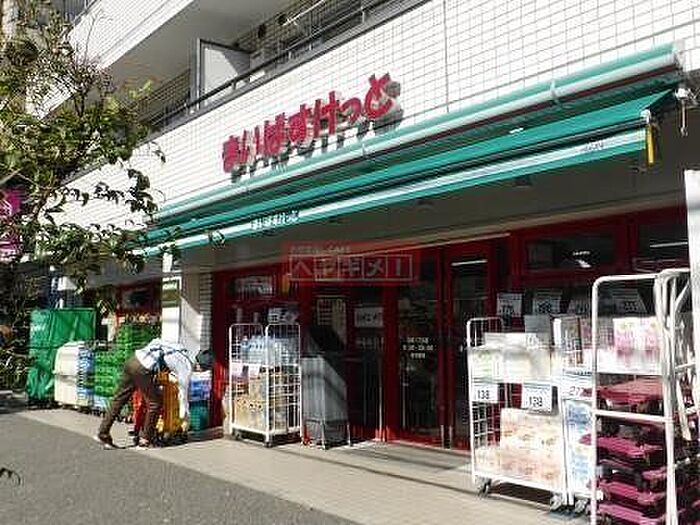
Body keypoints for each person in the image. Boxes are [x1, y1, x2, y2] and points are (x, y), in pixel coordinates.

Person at [94, 339, 193, 449]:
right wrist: (185, 417)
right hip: (143, 368)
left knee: (119, 398)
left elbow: (155, 341)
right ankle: (145, 440)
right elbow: (183, 394)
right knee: (155, 404)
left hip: (133, 360)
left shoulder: (177, 347)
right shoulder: (186, 366)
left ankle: (103, 433)